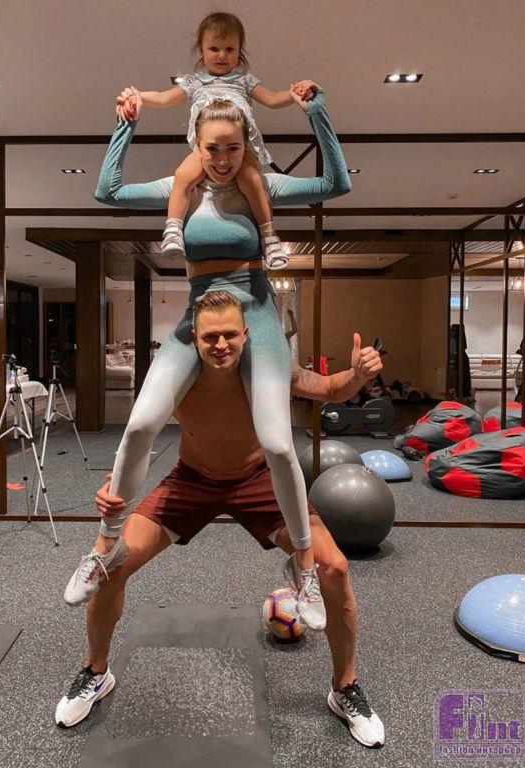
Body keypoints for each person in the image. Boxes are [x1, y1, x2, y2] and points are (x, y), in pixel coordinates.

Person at [64, 73, 352, 630]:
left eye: (233, 148)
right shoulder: (183, 186)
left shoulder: (261, 184)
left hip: (256, 316)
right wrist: (125, 125)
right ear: (196, 144)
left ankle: (305, 568)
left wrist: (317, 112)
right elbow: (108, 192)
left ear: (247, 145)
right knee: (141, 422)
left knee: (278, 443)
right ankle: (103, 549)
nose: (222, 160)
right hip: (200, 316)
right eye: (212, 148)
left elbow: (335, 183)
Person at [55, 291, 385, 749]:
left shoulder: (268, 369)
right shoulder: (178, 377)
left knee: (334, 568)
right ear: (194, 337)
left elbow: (330, 389)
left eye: (230, 334)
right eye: (210, 337)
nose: (221, 345)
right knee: (113, 564)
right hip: (191, 481)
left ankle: (345, 687)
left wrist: (359, 375)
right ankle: (95, 672)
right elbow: (139, 435)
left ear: (246, 334)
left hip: (259, 482)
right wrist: (114, 487)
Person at [125, 11, 313, 269]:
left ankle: (269, 236)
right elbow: (163, 98)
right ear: (201, 50)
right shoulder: (194, 82)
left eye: (229, 49)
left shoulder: (244, 81)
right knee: (182, 175)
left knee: (252, 180)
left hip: (240, 149)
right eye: (214, 48)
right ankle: (173, 228)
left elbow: (271, 99)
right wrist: (138, 96)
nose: (222, 55)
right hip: (207, 150)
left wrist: (292, 94)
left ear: (239, 51)